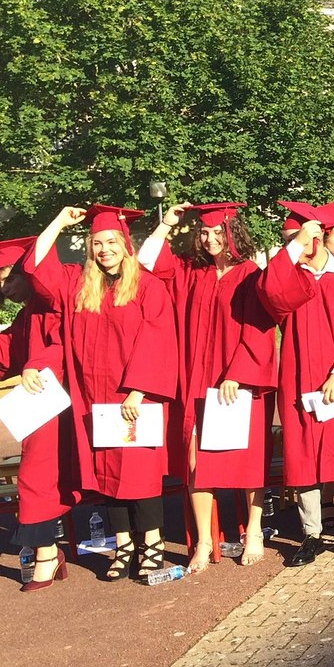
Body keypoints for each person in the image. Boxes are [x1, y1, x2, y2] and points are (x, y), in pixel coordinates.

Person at [27, 205, 178, 581]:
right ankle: (123, 544)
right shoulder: (80, 285)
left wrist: (138, 392)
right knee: (109, 477)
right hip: (95, 398)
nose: (104, 249)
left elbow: (158, 340)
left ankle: (152, 545)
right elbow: (37, 268)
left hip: (134, 397)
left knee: (140, 475)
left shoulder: (147, 286)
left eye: (111, 241)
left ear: (126, 245)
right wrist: (60, 221)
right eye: (97, 243)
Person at [140, 203, 278, 572]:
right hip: (198, 380)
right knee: (195, 460)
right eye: (205, 232)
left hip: (237, 382)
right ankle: (204, 540)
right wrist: (165, 224)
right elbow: (148, 263)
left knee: (247, 460)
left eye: (219, 232)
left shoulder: (251, 274)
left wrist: (239, 372)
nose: (211, 238)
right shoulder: (192, 272)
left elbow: (259, 329)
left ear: (235, 234)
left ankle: (254, 530)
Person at [258, 200, 334, 566]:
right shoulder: (291, 278)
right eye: (290, 238)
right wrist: (295, 245)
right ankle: (311, 532)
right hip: (299, 378)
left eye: (299, 236)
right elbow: (271, 294)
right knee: (303, 452)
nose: (294, 243)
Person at [0, 237, 79, 591]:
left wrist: (35, 364)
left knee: (38, 473)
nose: (5, 288)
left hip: (63, 397)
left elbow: (61, 344)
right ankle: (46, 551)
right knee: (39, 474)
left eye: (8, 280)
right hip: (47, 400)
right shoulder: (26, 313)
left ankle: (46, 553)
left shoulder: (52, 303)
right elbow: (7, 352)